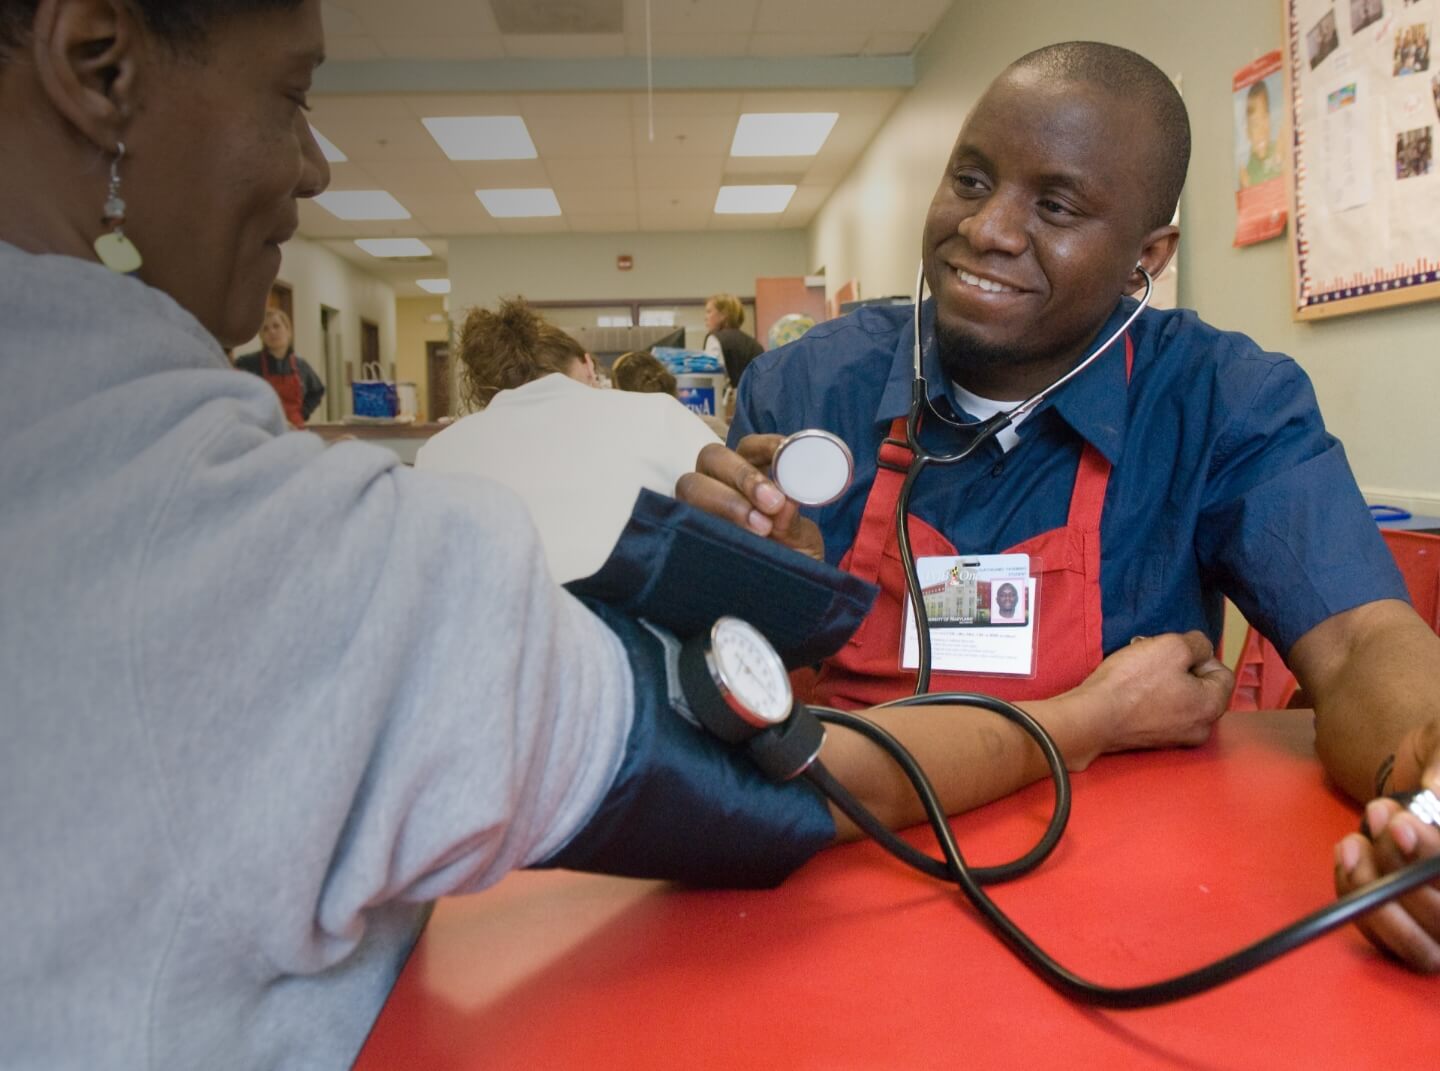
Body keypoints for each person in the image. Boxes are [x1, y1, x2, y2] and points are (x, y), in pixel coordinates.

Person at [5, 4, 1200, 1065]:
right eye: (294, 95)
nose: (315, 166)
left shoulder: (1213, 394)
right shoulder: (298, 557)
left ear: (1146, 258)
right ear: (97, 62)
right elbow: (775, 772)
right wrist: (1091, 716)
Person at [678, 41, 1440, 974]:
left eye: (1056, 206)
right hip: (822, 905)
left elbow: (1363, 639)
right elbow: (719, 699)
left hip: (1121, 913)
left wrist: (1426, 783)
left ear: (1145, 260)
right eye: (970, 177)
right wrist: (762, 584)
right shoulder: (805, 388)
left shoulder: (1218, 397)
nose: (987, 229)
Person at [415, 300, 723, 582]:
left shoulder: (439, 450)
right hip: (633, 623)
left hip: (489, 627)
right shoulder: (658, 411)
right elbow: (737, 512)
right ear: (589, 365)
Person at [235, 306, 325, 426]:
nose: (272, 332)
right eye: (265, 329)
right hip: (264, 430)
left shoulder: (301, 365)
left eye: (276, 326)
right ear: (261, 336)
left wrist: (303, 412)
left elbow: (317, 391)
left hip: (295, 429)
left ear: (288, 331)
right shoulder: (247, 363)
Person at [703, 291, 766, 389]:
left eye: (709, 311)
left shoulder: (714, 339)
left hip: (725, 402)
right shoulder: (755, 344)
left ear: (723, 315)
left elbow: (713, 378)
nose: (705, 318)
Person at [1237, 79, 1282, 189]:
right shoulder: (1248, 172)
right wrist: (1246, 188)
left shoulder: (1278, 149)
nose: (1262, 130)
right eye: (1255, 124)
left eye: (1264, 118)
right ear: (1248, 133)